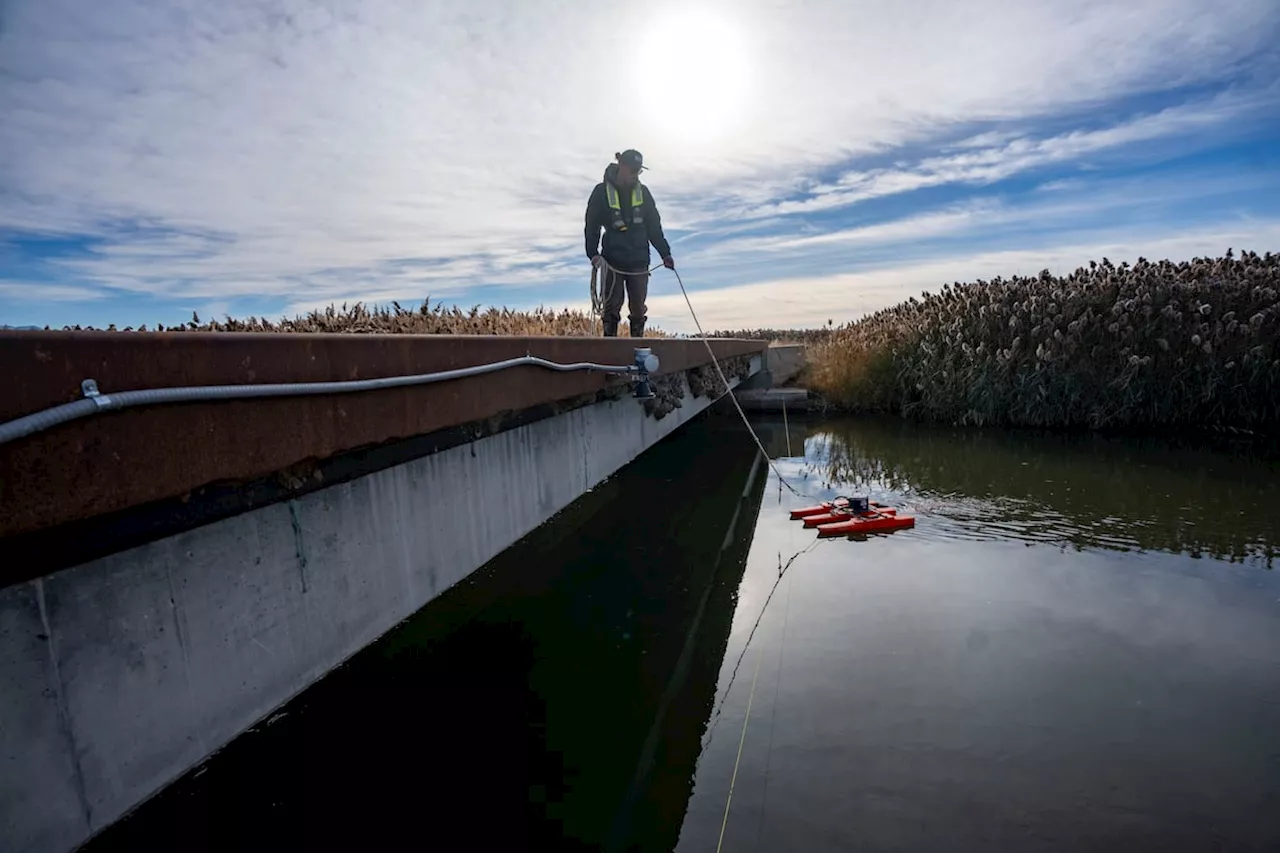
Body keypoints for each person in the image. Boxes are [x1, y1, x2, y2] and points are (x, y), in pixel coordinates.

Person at [584, 149, 675, 337]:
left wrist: (665, 253)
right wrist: (592, 253)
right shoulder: (601, 192)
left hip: (639, 260)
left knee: (638, 309)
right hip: (612, 260)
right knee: (611, 307)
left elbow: (654, 227)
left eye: (638, 171)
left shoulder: (644, 193)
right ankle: (610, 351)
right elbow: (591, 225)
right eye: (633, 170)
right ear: (621, 166)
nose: (635, 175)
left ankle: (637, 349)